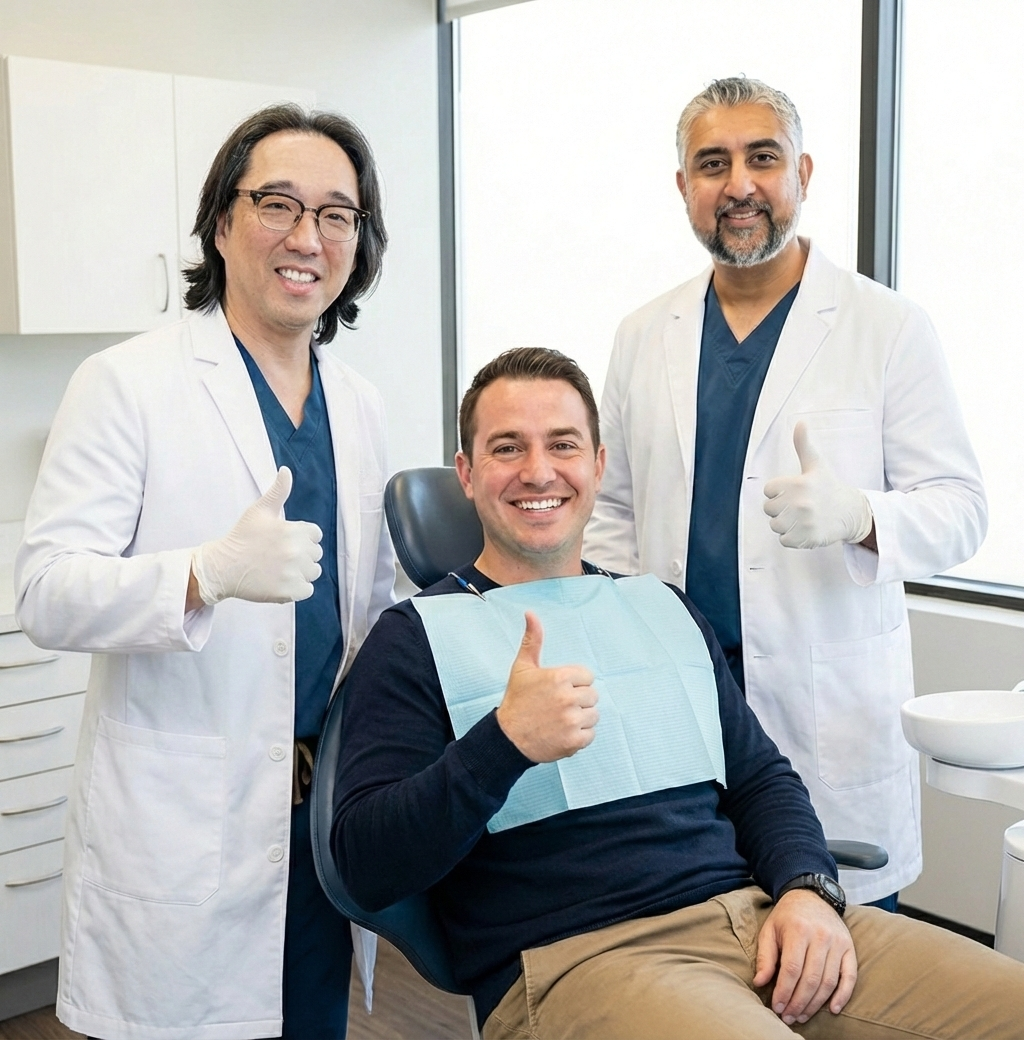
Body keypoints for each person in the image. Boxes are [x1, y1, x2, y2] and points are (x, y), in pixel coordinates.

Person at [332, 347, 1023, 1040]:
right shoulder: (413, 639)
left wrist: (808, 888)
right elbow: (365, 864)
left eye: (563, 445)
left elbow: (761, 780)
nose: (539, 471)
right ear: (468, 476)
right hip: (584, 958)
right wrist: (502, 745)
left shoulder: (662, 607)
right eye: (507, 447)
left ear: (598, 465)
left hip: (760, 920)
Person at [15, 104, 395, 1040]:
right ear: (222, 223)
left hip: (318, 828)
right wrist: (203, 575)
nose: (307, 236)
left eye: (336, 214)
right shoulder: (128, 383)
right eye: (278, 203)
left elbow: (373, 603)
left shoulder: (361, 404)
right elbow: (46, 591)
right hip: (188, 830)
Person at [584, 77, 987, 909]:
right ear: (684, 188)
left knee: (848, 976)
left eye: (761, 158)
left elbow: (961, 508)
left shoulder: (886, 326)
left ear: (802, 172)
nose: (738, 184)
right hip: (683, 710)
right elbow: (612, 513)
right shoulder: (639, 335)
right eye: (712, 163)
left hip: (823, 718)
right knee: (700, 961)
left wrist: (861, 516)